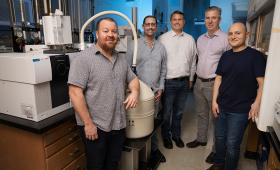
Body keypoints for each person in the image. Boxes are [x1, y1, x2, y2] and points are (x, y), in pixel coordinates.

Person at [68, 17, 140, 170]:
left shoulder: (120, 58)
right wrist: (88, 124)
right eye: (105, 31)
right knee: (96, 166)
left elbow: (133, 80)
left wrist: (134, 92)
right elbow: (75, 93)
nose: (110, 34)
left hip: (118, 124)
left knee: (112, 164)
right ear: (97, 34)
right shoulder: (83, 59)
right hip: (96, 126)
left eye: (114, 31)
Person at [208, 22, 266, 170]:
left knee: (232, 144)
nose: (233, 36)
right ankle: (219, 164)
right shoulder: (225, 56)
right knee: (220, 139)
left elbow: (262, 83)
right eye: (231, 33)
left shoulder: (256, 57)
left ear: (246, 35)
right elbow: (219, 79)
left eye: (238, 33)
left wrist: (256, 103)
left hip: (240, 110)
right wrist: (214, 101)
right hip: (222, 106)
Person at [186, 6, 230, 164]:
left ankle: (216, 150)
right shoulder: (200, 38)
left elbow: (230, 64)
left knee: (216, 118)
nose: (210, 21)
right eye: (207, 18)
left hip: (214, 84)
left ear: (220, 19)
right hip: (199, 82)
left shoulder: (226, 39)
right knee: (201, 114)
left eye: (214, 17)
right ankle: (201, 139)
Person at [127, 15, 167, 163]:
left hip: (155, 93)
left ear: (156, 27)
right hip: (138, 94)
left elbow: (163, 70)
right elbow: (127, 69)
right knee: (138, 123)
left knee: (153, 122)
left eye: (153, 24)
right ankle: (137, 156)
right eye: (147, 24)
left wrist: (161, 88)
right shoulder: (133, 45)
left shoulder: (161, 47)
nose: (150, 27)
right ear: (143, 26)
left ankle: (154, 151)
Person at [159, 10, 197, 149]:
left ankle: (176, 135)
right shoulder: (163, 38)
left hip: (184, 82)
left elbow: (193, 61)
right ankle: (166, 136)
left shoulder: (190, 39)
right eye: (174, 19)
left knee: (179, 112)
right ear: (171, 21)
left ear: (184, 22)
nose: (177, 21)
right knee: (166, 112)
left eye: (180, 19)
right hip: (168, 82)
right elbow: (159, 61)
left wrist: (191, 79)